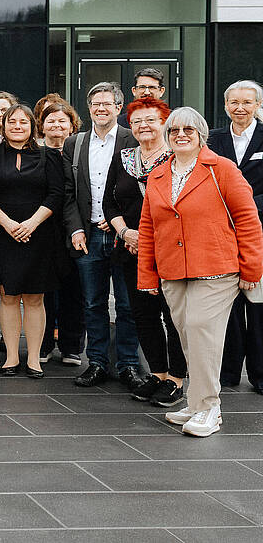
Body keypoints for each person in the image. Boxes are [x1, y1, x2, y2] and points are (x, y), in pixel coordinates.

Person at [138, 107, 263, 436]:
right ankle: (194, 403)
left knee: (200, 332)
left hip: (216, 269)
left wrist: (252, 269)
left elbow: (249, 222)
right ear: (167, 136)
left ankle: (209, 407)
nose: (181, 135)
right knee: (188, 337)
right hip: (172, 271)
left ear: (201, 135)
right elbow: (148, 227)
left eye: (188, 130)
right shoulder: (159, 174)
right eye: (175, 130)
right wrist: (147, 275)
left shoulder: (221, 169)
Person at [104, 96, 185, 407]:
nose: (143, 126)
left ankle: (177, 379)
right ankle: (159, 374)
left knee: (172, 315)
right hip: (130, 249)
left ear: (163, 122)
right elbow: (109, 201)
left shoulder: (177, 157)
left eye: (150, 119)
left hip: (168, 250)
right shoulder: (122, 158)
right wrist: (125, 232)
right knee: (143, 315)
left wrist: (149, 235)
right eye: (136, 121)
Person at [63, 81, 142, 389]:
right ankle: (96, 362)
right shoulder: (76, 142)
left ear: (119, 108)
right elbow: (69, 193)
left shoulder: (132, 139)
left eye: (107, 103)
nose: (101, 108)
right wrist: (76, 228)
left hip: (124, 235)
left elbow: (140, 190)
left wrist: (119, 221)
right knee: (93, 303)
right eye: (95, 103)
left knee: (127, 304)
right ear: (89, 108)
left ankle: (128, 365)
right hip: (89, 235)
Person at [0, 105, 66, 378]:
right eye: (12, 122)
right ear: (3, 126)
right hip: (4, 235)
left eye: (23, 122)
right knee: (8, 295)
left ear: (32, 126)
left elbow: (55, 194)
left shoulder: (49, 156)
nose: (17, 126)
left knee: (35, 297)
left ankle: (34, 360)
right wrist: (8, 224)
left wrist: (31, 224)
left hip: (39, 233)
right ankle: (12, 357)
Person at [212, 80, 263, 395]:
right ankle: (228, 372)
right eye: (234, 102)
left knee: (258, 307)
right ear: (226, 105)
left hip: (259, 231)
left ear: (257, 105)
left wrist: (244, 207)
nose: (240, 108)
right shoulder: (214, 139)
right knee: (226, 305)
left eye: (247, 102)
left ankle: (259, 374)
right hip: (221, 233)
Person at [37, 97, 86, 366]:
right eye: (50, 120)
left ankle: (71, 346)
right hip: (44, 228)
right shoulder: (36, 151)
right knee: (45, 290)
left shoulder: (79, 150)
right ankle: (43, 344)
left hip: (75, 226)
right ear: (42, 126)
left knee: (74, 288)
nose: (56, 125)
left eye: (62, 120)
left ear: (72, 125)